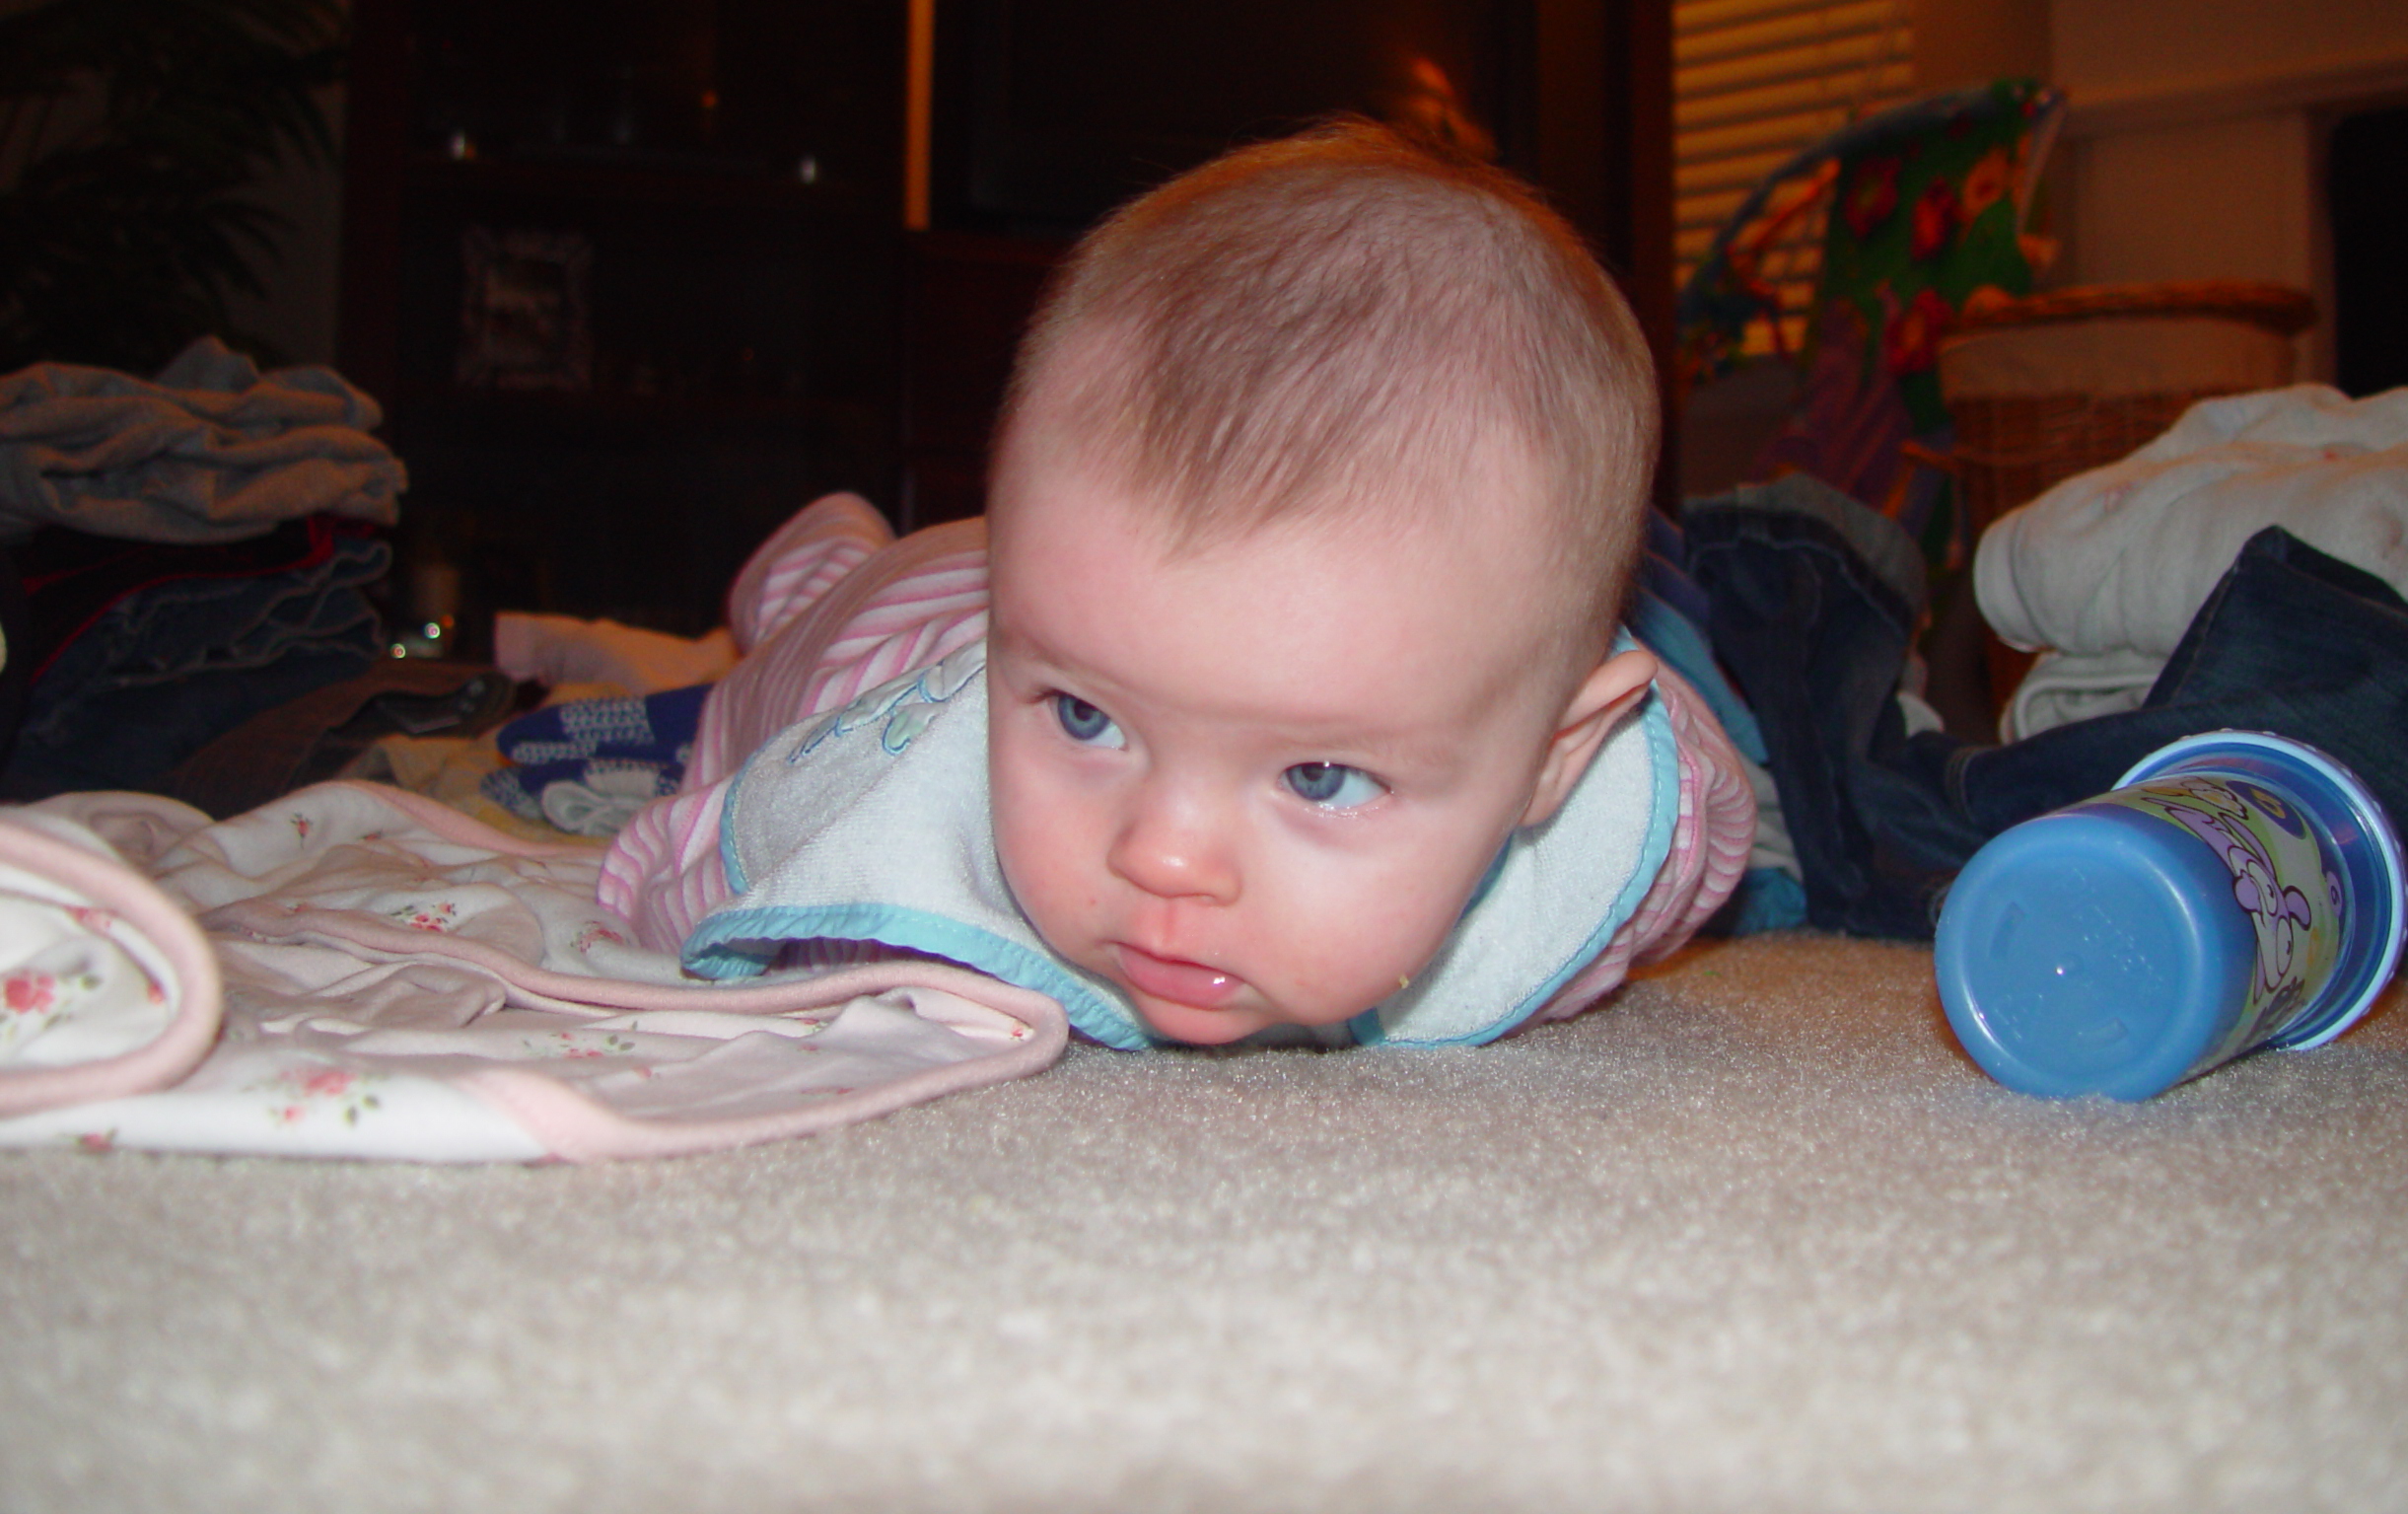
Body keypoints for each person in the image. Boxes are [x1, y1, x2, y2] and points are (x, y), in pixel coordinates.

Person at [597, 120, 1753, 1046]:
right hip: (901, 619)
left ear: (1556, 759)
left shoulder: (1612, 816)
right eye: (1085, 718)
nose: (1164, 857)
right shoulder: (887, 803)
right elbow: (663, 871)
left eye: (1319, 774)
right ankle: (823, 554)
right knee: (819, 602)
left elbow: (1696, 811)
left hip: (1046, 590)